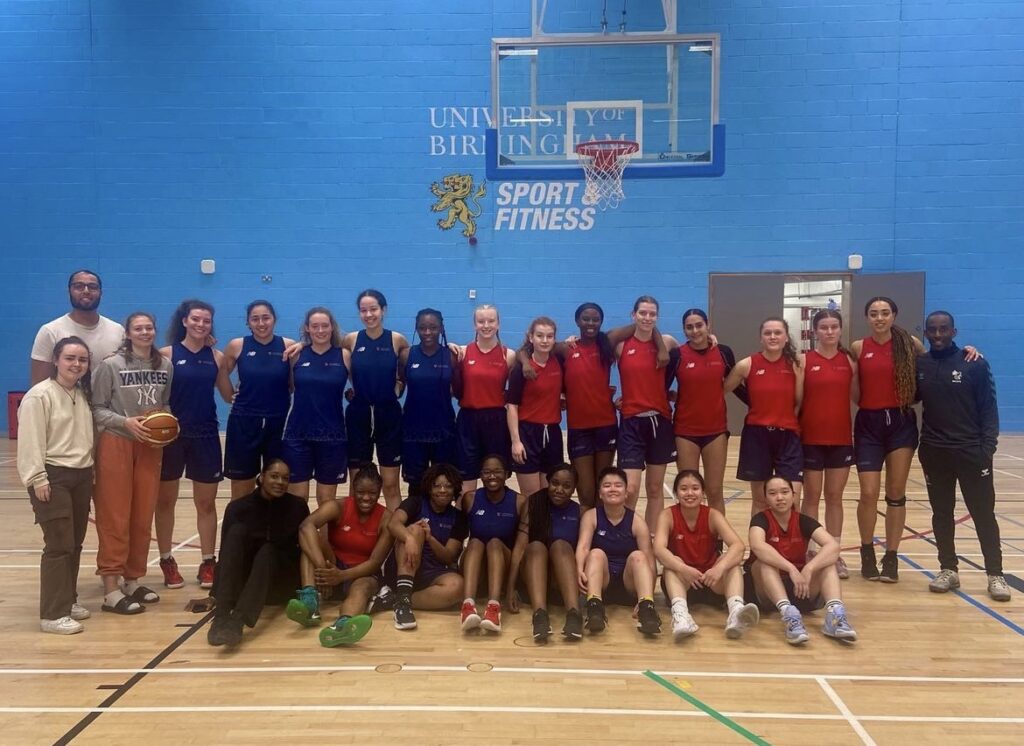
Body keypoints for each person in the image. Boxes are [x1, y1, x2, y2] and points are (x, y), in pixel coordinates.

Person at [522, 302, 665, 509]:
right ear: (577, 321)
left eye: (595, 319)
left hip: (606, 426)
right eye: (586, 319)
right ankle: (585, 537)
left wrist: (661, 348)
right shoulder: (565, 348)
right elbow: (526, 349)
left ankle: (601, 535)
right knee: (585, 492)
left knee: (602, 489)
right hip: (579, 429)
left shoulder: (607, 341)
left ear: (601, 321)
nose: (591, 323)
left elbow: (643, 325)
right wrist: (526, 362)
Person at [916, 311, 1009, 601]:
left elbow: (988, 409)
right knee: (941, 514)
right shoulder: (921, 365)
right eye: (933, 330)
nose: (939, 334)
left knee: (983, 514)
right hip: (934, 452)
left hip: (972, 453)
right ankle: (948, 569)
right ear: (926, 333)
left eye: (944, 329)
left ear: (954, 332)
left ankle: (995, 574)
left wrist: (987, 448)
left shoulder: (974, 363)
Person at [91, 312, 173, 614]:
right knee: (115, 516)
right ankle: (110, 590)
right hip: (117, 442)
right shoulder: (110, 366)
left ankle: (132, 578)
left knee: (142, 516)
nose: (145, 332)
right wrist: (126, 423)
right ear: (128, 333)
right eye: (138, 328)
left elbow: (164, 402)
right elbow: (97, 408)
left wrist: (167, 423)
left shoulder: (164, 366)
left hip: (150, 446)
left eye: (149, 327)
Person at [17, 337, 95, 634]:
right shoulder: (40, 396)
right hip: (53, 476)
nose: (76, 364)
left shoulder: (81, 394)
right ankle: (52, 613)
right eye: (70, 358)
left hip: (81, 474)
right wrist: (37, 478)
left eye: (82, 360)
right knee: (59, 544)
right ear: (56, 360)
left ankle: (68, 599)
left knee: (74, 543)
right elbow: (30, 440)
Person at [156, 300, 233, 590]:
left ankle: (208, 561)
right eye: (196, 319)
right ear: (185, 321)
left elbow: (228, 395)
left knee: (206, 503)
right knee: (165, 502)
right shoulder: (165, 355)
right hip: (170, 436)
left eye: (207, 321)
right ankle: (166, 559)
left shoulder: (217, 357)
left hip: (205, 435)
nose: (201, 324)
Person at [207, 459, 310, 647]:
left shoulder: (297, 507)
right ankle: (221, 616)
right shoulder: (238, 509)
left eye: (285, 478)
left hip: (280, 581)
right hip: (247, 583)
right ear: (261, 477)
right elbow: (227, 554)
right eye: (274, 476)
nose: (280, 482)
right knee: (237, 532)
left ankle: (237, 621)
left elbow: (306, 548)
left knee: (268, 550)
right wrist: (214, 593)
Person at [286, 465, 392, 647]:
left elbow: (375, 562)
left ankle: (343, 625)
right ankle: (310, 602)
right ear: (353, 490)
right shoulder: (338, 506)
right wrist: (323, 570)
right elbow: (306, 526)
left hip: (361, 572)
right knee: (310, 542)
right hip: (332, 566)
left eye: (372, 493)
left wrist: (340, 576)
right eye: (360, 492)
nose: (366, 497)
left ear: (379, 492)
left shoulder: (386, 518)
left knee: (363, 587)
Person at [746, 476, 857, 645]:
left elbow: (833, 546)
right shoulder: (760, 520)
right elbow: (757, 546)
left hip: (800, 587)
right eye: (773, 493)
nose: (780, 497)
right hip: (767, 591)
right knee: (764, 562)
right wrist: (790, 568)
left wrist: (810, 568)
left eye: (784, 492)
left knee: (827, 563)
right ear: (766, 498)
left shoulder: (804, 521)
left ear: (793, 494)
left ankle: (835, 616)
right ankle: (788, 614)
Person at [653, 470, 760, 640]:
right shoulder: (667, 515)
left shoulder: (712, 515)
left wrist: (719, 568)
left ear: (703, 493)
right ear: (675, 493)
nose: (689, 493)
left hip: (712, 581)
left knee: (730, 561)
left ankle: (736, 612)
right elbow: (658, 549)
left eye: (695, 488)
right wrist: (684, 569)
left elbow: (738, 546)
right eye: (683, 489)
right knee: (673, 563)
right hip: (683, 583)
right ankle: (681, 615)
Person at [669, 308, 747, 515]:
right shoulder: (677, 355)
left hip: (715, 431)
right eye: (689, 327)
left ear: (707, 325)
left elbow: (736, 384)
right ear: (684, 330)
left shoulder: (723, 352)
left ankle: (717, 543)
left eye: (699, 325)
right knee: (688, 491)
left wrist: (757, 404)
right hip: (684, 431)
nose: (695, 331)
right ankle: (688, 542)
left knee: (714, 490)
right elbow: (661, 388)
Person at [724, 318, 804, 514]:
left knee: (792, 499)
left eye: (778, 332)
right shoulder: (747, 365)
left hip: (788, 437)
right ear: (761, 338)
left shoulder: (796, 364)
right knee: (760, 500)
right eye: (768, 333)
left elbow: (799, 402)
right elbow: (721, 390)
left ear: (786, 337)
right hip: (757, 436)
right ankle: (758, 544)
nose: (773, 336)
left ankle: (791, 544)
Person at [799, 310, 857, 580]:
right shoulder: (803, 361)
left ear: (841, 329)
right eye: (824, 327)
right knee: (811, 497)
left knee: (834, 498)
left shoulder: (850, 361)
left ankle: (833, 553)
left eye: (834, 327)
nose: (830, 332)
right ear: (815, 331)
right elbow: (796, 400)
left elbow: (858, 397)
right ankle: (811, 551)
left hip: (841, 439)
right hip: (810, 439)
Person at [220, 300, 295, 499]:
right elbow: (220, 373)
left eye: (266, 318)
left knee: (277, 484)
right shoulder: (237, 345)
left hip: (277, 422)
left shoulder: (288, 346)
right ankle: (240, 528)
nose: (261, 323)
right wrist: (229, 396)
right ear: (248, 323)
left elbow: (294, 383)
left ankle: (272, 529)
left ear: (274, 320)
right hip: (244, 422)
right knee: (241, 484)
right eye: (255, 319)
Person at [576, 466, 662, 636]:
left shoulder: (637, 522)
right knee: (595, 553)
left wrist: (649, 591)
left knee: (639, 556)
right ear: (600, 493)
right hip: (602, 584)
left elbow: (649, 560)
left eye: (618, 485)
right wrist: (579, 569)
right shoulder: (591, 516)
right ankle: (594, 610)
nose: (613, 489)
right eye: (607, 485)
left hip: (628, 585)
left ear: (626, 493)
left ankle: (647, 609)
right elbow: (583, 547)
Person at [615, 296, 677, 531]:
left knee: (654, 488)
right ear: (634, 315)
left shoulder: (668, 342)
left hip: (660, 421)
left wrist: (712, 338)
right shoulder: (621, 345)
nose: (647, 318)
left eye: (652, 314)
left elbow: (692, 352)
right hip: (631, 422)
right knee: (630, 489)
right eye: (642, 313)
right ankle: (625, 538)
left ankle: (651, 540)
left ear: (657, 317)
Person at [344, 290, 409, 510]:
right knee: (358, 484)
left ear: (383, 310)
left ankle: (394, 539)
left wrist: (397, 390)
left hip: (388, 416)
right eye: (364, 310)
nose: (369, 314)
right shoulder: (351, 339)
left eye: (373, 309)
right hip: (359, 416)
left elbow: (405, 374)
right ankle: (354, 536)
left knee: (390, 485)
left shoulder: (397, 340)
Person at [385, 463, 468, 630]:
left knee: (458, 586)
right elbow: (393, 524)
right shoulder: (415, 503)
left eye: (448, 486)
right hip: (404, 565)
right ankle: (402, 606)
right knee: (416, 529)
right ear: (429, 488)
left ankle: (398, 599)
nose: (442, 490)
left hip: (432, 571)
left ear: (455, 490)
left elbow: (449, 556)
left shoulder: (458, 518)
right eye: (437, 486)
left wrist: (431, 539)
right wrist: (409, 539)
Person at [282, 307, 352, 506]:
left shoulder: (344, 356)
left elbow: (361, 387)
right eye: (315, 326)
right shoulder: (296, 355)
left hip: (333, 435)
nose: (320, 330)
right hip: (298, 435)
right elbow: (285, 387)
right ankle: (298, 538)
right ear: (307, 329)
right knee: (297, 499)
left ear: (332, 328)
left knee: (326, 500)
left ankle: (324, 539)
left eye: (325, 325)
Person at [506, 463, 582, 642]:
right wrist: (510, 588)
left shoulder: (579, 511)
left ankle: (574, 614)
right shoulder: (534, 504)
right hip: (532, 580)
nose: (559, 489)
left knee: (561, 545)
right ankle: (539, 615)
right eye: (555, 483)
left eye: (566, 486)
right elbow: (519, 548)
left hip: (560, 583)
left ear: (573, 489)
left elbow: (583, 552)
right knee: (536, 546)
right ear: (548, 482)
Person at [459, 454, 525, 634]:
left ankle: (493, 609)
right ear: (480, 475)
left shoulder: (520, 502)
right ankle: (468, 606)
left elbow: (520, 549)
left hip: (503, 565)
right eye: (487, 472)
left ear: (507, 474)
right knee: (475, 542)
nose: (492, 476)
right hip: (477, 566)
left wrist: (512, 587)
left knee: (495, 542)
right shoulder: (470, 499)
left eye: (497, 472)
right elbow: (458, 534)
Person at [454, 304, 516, 495]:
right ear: (474, 325)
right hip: (468, 420)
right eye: (481, 321)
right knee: (466, 478)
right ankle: (464, 522)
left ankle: (496, 520)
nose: (486, 325)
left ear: (498, 324)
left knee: (495, 477)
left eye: (491, 321)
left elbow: (515, 393)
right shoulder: (462, 352)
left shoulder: (509, 355)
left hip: (496, 421)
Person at [397, 308, 459, 498]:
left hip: (444, 428)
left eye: (433, 327)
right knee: (416, 485)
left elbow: (459, 389)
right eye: (423, 328)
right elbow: (399, 386)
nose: (427, 332)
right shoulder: (407, 355)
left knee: (444, 483)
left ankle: (443, 524)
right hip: (413, 430)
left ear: (441, 328)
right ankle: (414, 523)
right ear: (416, 328)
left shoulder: (451, 356)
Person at [30, 270, 123, 384]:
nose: (86, 291)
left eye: (92, 287)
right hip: (65, 401)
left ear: (100, 293)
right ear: (69, 292)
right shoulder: (50, 331)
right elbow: (39, 385)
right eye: (79, 286)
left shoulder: (118, 330)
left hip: (108, 401)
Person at [507, 317, 565, 499]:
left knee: (550, 493)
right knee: (532, 495)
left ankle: (547, 528)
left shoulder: (559, 362)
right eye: (540, 335)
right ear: (531, 337)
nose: (545, 340)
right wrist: (516, 441)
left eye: (549, 336)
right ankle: (530, 528)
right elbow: (512, 406)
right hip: (528, 434)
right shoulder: (520, 369)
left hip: (552, 434)